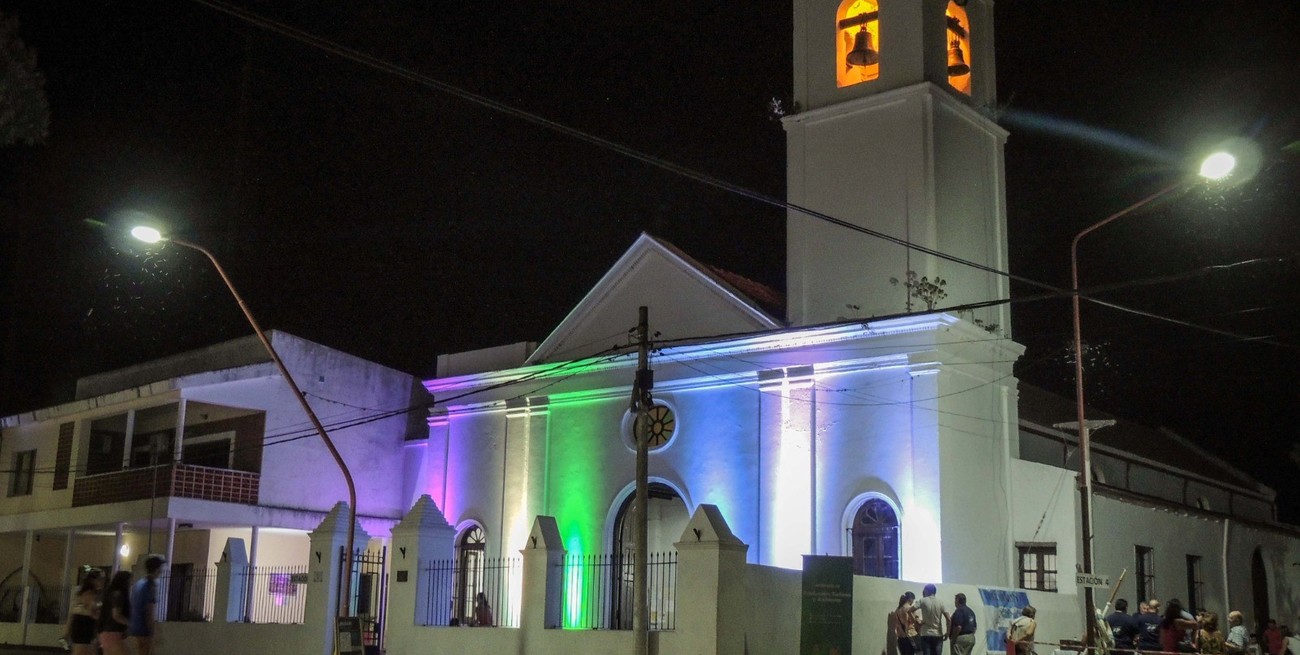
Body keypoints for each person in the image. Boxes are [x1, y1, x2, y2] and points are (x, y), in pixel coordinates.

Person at [129, 555, 165, 655]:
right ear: (157, 569)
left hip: (135, 627)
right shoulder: (150, 585)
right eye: (161, 568)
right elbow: (149, 611)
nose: (162, 571)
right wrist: (153, 631)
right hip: (144, 629)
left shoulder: (139, 584)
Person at [62, 568, 103, 655]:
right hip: (84, 626)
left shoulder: (81, 593)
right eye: (100, 579)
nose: (102, 581)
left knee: (84, 651)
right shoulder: (90, 594)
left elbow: (72, 613)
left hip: (80, 625)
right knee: (82, 651)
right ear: (92, 580)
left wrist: (67, 630)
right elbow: (92, 613)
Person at [97, 571, 132, 655]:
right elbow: (116, 615)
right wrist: (130, 624)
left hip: (106, 633)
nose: (131, 584)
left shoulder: (110, 594)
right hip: (113, 634)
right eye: (130, 581)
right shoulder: (118, 595)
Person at [915, 584, 950, 655]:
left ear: (927, 591)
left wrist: (916, 620)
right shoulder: (940, 602)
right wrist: (947, 633)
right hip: (938, 634)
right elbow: (948, 619)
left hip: (925, 633)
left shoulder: (922, 600)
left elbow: (910, 610)